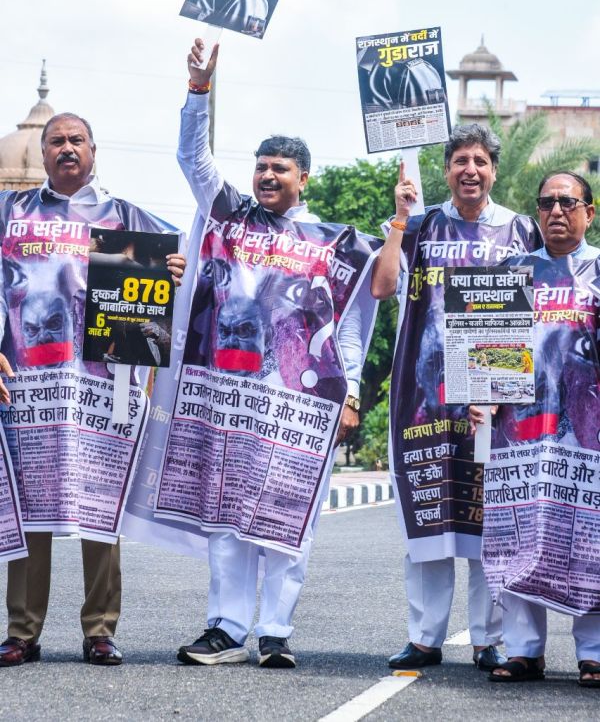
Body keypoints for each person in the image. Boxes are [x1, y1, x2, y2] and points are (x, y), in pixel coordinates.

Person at [146, 39, 379, 670]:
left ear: (305, 178)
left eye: (281, 168)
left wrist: (351, 392)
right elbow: (191, 160)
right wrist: (199, 89)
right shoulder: (228, 217)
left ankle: (275, 631)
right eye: (261, 167)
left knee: (287, 517)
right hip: (227, 394)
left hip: (298, 405)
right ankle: (225, 627)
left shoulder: (335, 243)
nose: (268, 176)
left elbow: (351, 328)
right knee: (226, 514)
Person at [0, 111, 185, 668]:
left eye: (76, 140)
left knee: (99, 505)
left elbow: (178, 274)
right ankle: (21, 632)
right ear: (43, 153)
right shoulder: (12, 214)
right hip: (28, 385)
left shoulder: (124, 217)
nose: (66, 149)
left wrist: (171, 268)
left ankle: (100, 630)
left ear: (94, 150)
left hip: (102, 388)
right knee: (31, 507)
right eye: (56, 141)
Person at [371, 124, 542, 671]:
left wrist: (495, 393)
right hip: (423, 396)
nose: (470, 169)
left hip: (495, 395)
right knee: (429, 518)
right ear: (446, 170)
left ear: (493, 170)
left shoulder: (521, 230)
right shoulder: (420, 224)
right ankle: (424, 637)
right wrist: (399, 218)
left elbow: (532, 313)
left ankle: (489, 638)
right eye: (460, 160)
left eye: (481, 161)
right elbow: (383, 285)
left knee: (486, 518)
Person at [470, 171, 600, 686]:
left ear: (589, 212)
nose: (556, 212)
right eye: (546, 203)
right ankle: (524, 650)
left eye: (568, 202)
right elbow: (487, 358)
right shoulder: (512, 273)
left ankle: (594, 652)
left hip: (585, 438)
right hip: (519, 434)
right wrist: (481, 398)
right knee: (519, 535)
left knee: (590, 538)